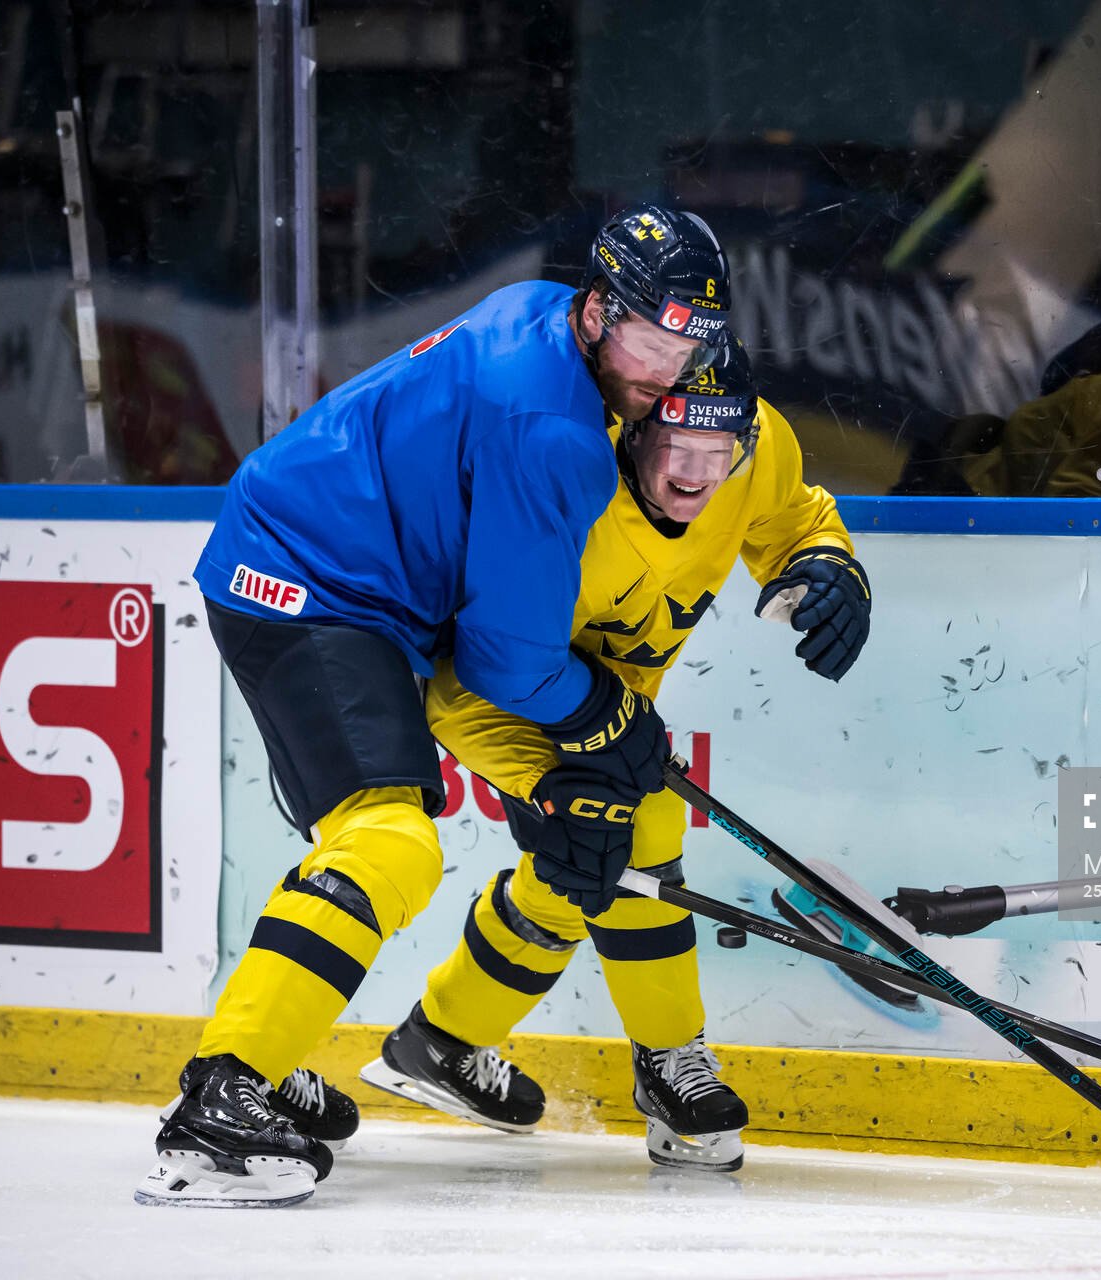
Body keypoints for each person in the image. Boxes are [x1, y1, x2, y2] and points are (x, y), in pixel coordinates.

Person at [137, 203, 736, 1209]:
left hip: (333, 574)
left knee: (421, 826)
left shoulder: (545, 319)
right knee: (389, 841)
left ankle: (271, 1052)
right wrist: (606, 720)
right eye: (650, 335)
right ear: (598, 311)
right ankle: (219, 1105)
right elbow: (509, 664)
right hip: (308, 581)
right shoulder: (557, 429)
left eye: (690, 344)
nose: (667, 367)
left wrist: (570, 754)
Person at [274, 342, 868, 1175]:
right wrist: (562, 764)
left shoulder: (754, 446)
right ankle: (670, 1063)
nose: (698, 477)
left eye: (717, 455)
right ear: (630, 435)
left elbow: (793, 515)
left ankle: (443, 1040)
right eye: (674, 451)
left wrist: (827, 563)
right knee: (631, 816)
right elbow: (475, 665)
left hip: (604, 699)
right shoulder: (565, 491)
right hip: (496, 691)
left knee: (589, 862)